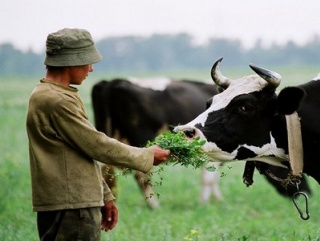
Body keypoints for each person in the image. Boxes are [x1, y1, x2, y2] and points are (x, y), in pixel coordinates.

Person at [26, 28, 171, 241]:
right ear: (72, 61)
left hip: (75, 200)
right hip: (72, 205)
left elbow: (81, 153)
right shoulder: (57, 100)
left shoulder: (53, 95)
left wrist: (104, 196)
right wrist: (147, 156)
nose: (91, 69)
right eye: (87, 61)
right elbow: (97, 145)